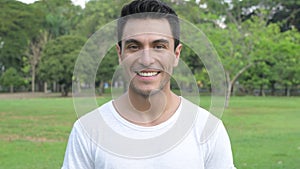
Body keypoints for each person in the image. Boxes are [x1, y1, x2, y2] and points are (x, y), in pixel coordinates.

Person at [62, 0, 236, 168]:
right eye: (133, 47)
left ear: (176, 54)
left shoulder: (207, 128)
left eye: (159, 46)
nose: (146, 60)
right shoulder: (88, 129)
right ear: (120, 54)